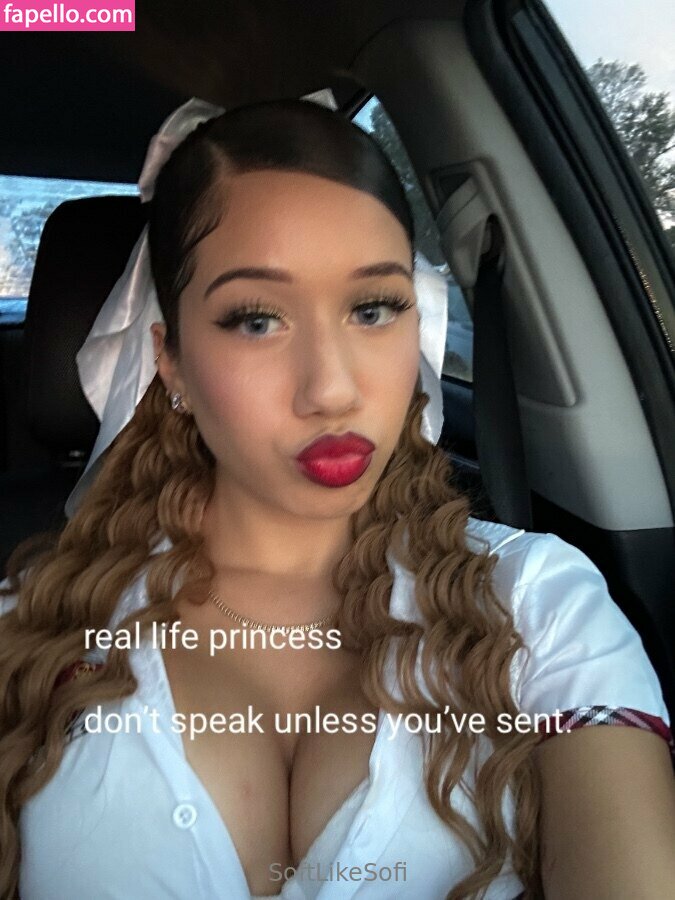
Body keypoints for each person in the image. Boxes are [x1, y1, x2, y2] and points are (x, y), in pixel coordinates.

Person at [0, 94, 673, 900]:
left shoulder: (538, 604)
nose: (331, 389)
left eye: (372, 308)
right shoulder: (31, 629)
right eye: (256, 320)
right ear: (170, 361)